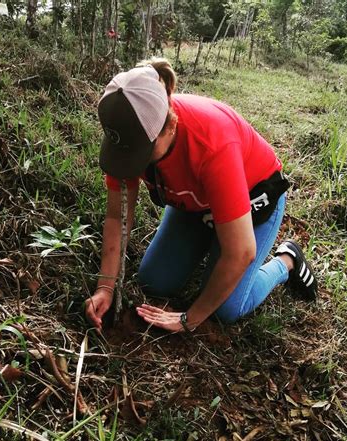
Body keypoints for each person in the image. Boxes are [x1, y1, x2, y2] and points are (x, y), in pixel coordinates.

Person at [85, 58, 317, 333]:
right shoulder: (131, 133)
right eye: (128, 154)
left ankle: (287, 261)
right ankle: (209, 241)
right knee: (154, 281)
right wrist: (105, 286)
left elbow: (241, 252)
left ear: (170, 126)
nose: (133, 164)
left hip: (253, 200)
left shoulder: (211, 143)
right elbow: (117, 216)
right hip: (197, 204)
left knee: (227, 308)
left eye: (142, 155)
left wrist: (189, 319)